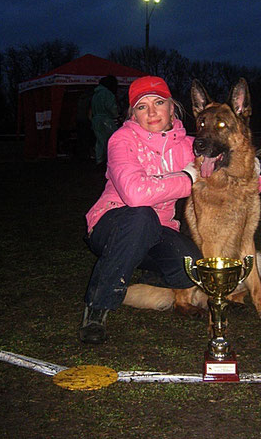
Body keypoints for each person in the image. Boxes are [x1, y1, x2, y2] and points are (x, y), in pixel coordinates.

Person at [79, 75, 201, 344]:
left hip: (158, 230)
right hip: (112, 225)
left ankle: (148, 274)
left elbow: (224, 167)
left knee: (190, 266)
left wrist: (254, 168)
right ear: (133, 114)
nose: (152, 112)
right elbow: (135, 194)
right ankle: (98, 307)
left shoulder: (189, 145)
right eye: (142, 106)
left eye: (159, 102)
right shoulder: (121, 140)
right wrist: (186, 179)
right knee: (141, 215)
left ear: (172, 107)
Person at [91, 75, 119, 167]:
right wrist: (117, 116)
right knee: (112, 141)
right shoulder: (108, 94)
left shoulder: (95, 94)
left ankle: (99, 160)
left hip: (96, 120)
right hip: (106, 120)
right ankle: (111, 161)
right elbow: (111, 107)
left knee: (100, 141)